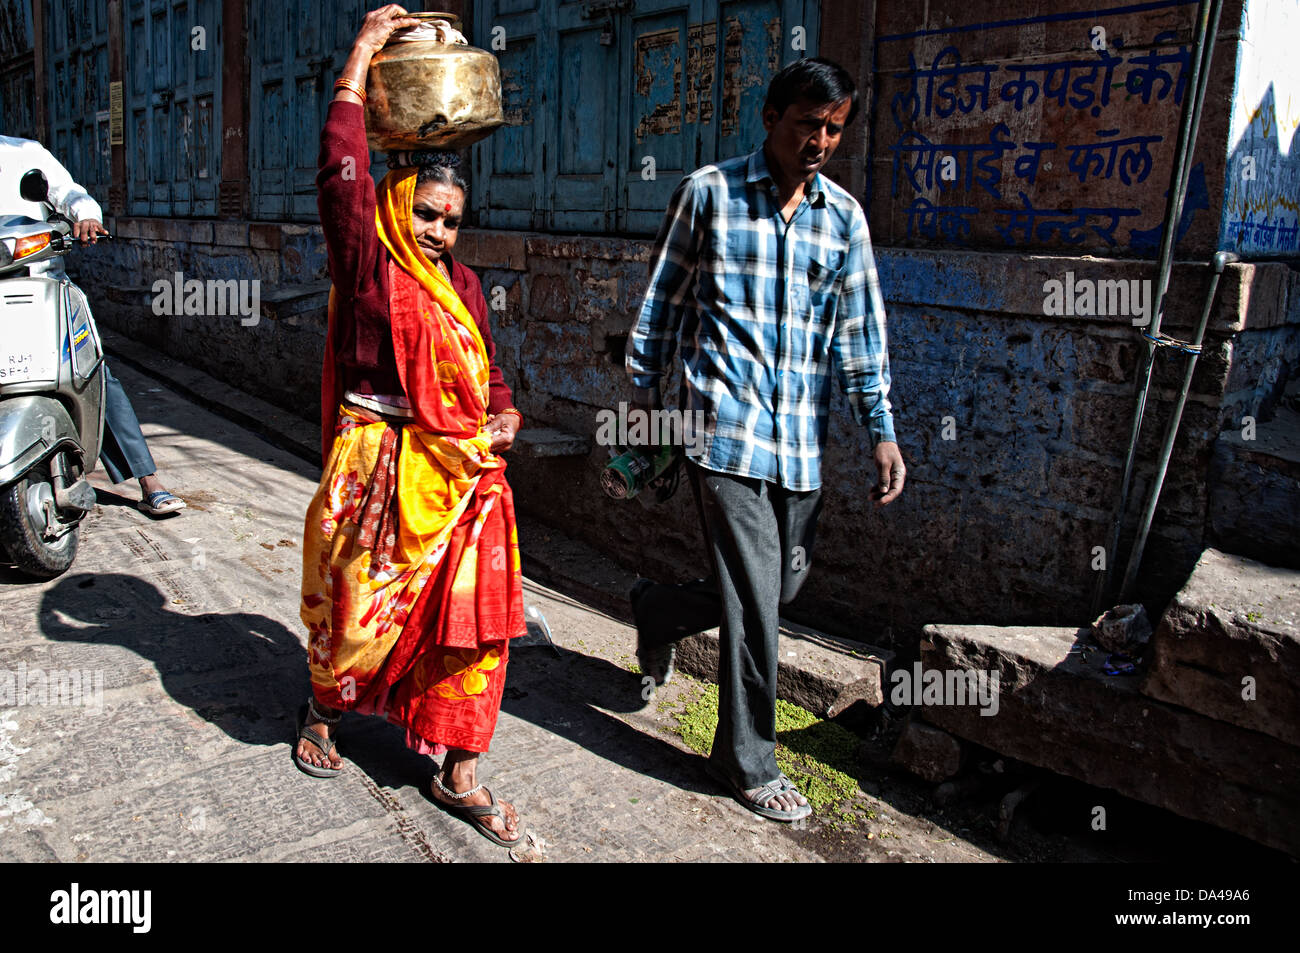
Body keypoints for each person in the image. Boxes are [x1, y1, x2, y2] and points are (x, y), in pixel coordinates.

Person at [625, 57, 906, 823]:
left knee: (775, 591)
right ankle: (747, 760)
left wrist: (880, 428)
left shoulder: (843, 218)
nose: (819, 140)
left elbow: (860, 335)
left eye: (833, 128)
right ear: (771, 117)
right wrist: (647, 407)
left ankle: (657, 611)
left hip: (801, 444)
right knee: (756, 599)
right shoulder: (709, 195)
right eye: (806, 123)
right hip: (722, 432)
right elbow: (663, 304)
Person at [296, 6, 528, 848]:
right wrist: (360, 55)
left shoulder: (461, 285)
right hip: (376, 469)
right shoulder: (367, 261)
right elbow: (340, 171)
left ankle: (459, 766)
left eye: (450, 220)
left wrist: (504, 414)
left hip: (462, 481)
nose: (436, 232)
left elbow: (491, 375)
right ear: (399, 205)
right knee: (358, 612)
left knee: (474, 623)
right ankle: (326, 707)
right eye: (426, 213)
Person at [0, 134, 185, 516]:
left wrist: (86, 216)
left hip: (39, 284)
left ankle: (148, 480)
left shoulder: (22, 153)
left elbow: (68, 191)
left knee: (93, 374)